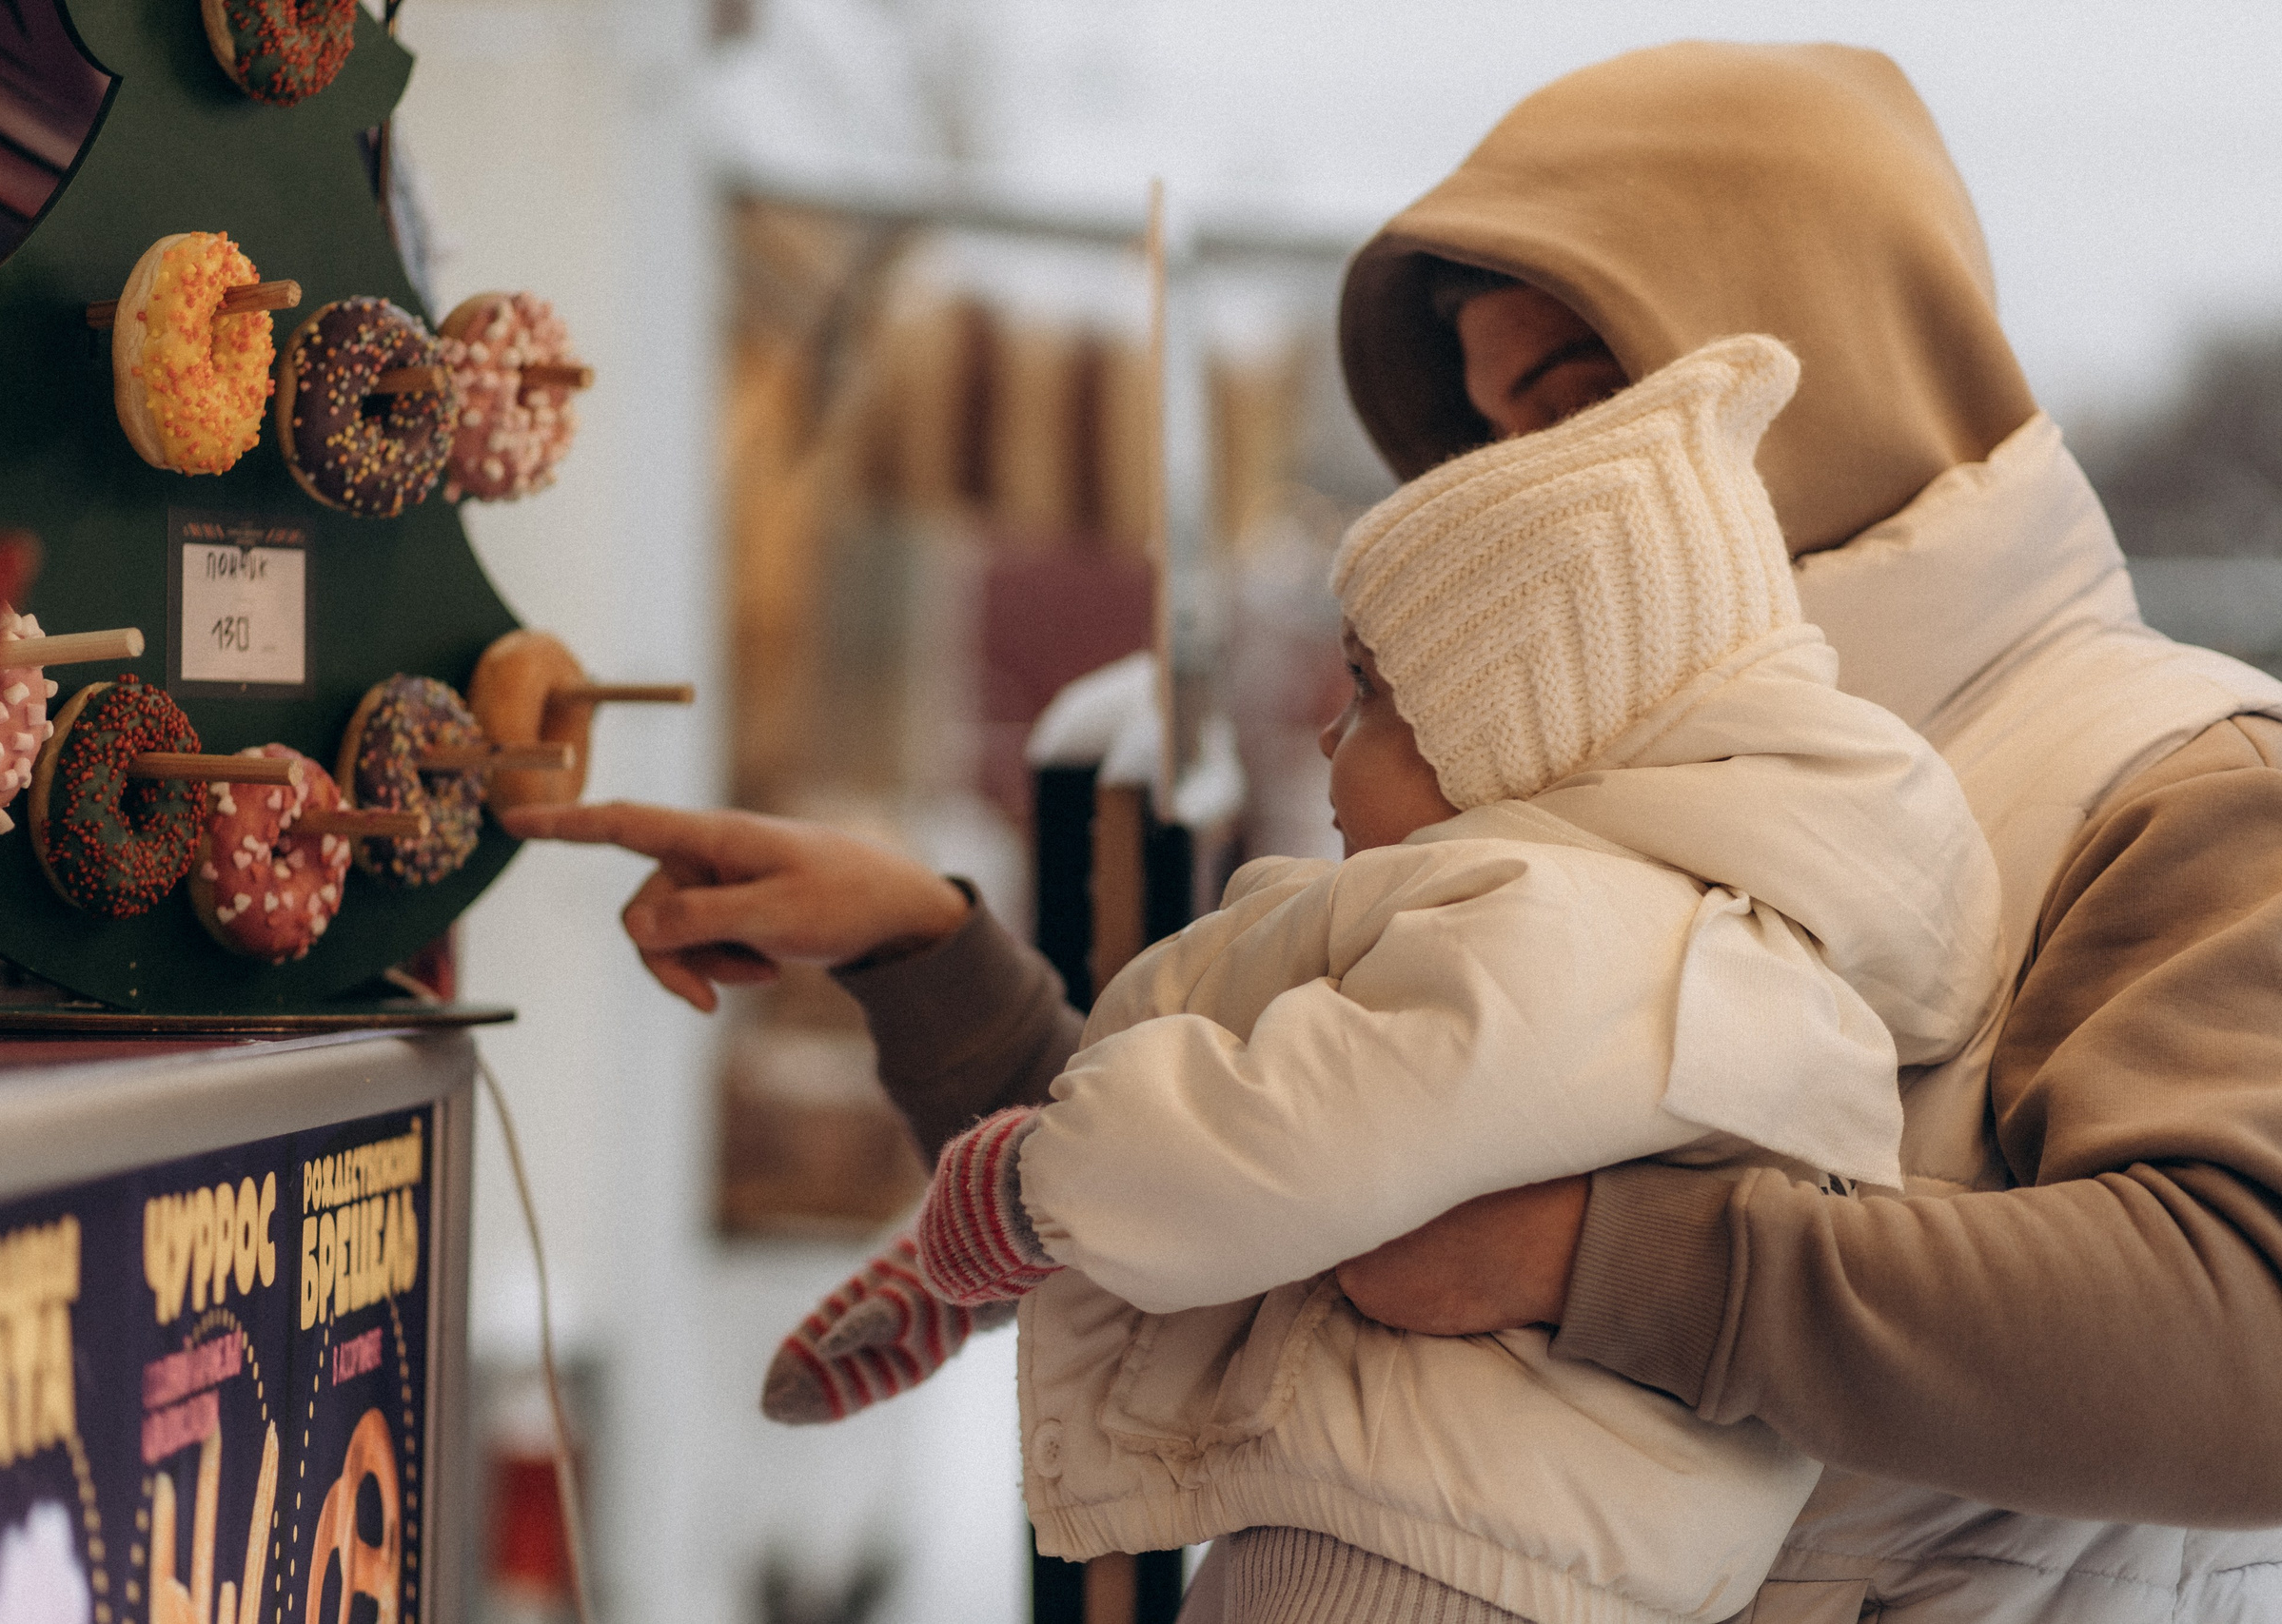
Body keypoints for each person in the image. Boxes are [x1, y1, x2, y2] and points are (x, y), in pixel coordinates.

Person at [505, 40, 2282, 1623]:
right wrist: (932, 966)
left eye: (1589, 397)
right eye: (1501, 432)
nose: (1530, 482)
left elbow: (2249, 1335)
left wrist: (1614, 1264)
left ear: (1831, 348)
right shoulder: (1598, 770)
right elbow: (1301, 1164)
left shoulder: (2169, 780)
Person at [887, 329, 2004, 1624]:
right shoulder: (1681, 949)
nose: (1324, 726)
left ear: (1515, 737)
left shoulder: (1576, 936)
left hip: (1417, 1566)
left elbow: (1292, 1131)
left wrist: (1030, 1193)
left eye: (1369, 693)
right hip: (1488, 1545)